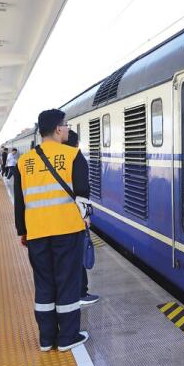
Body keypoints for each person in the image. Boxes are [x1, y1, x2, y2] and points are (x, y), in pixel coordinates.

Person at [14, 109, 90, 352]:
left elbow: (20, 201)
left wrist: (23, 231)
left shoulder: (23, 162)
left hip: (36, 232)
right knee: (67, 282)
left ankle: (46, 339)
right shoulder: (73, 155)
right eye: (66, 125)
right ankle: (67, 337)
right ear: (58, 129)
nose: (68, 129)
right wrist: (87, 222)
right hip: (67, 230)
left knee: (44, 283)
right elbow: (83, 196)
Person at [63, 130, 100, 306]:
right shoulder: (76, 158)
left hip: (49, 222)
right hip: (72, 218)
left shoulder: (53, 159)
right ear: (77, 144)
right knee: (77, 256)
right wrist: (86, 216)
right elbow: (83, 191)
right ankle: (81, 293)